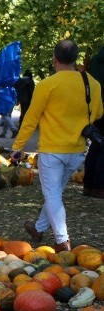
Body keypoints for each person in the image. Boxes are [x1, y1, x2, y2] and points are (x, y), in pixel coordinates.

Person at [12, 39, 103, 251]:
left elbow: (31, 119)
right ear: (76, 58)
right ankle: (38, 228)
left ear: (54, 59)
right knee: (55, 194)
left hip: (52, 150)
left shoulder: (47, 84)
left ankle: (63, 241)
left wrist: (18, 147)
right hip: (78, 149)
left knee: (52, 194)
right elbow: (98, 113)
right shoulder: (92, 83)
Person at [83, 46, 104, 199]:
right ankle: (99, 186)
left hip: (96, 107)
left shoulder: (97, 59)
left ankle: (88, 184)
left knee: (96, 144)